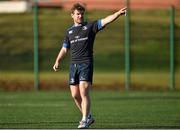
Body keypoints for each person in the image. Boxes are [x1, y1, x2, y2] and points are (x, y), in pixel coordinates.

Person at [53, 3, 127, 129]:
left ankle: (84, 120)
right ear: (72, 15)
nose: (80, 16)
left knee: (83, 91)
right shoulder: (69, 31)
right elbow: (65, 48)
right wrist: (57, 61)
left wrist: (117, 14)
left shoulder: (90, 26)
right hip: (73, 65)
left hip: (86, 63)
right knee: (75, 95)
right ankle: (88, 116)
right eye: (78, 14)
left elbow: (105, 21)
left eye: (82, 14)